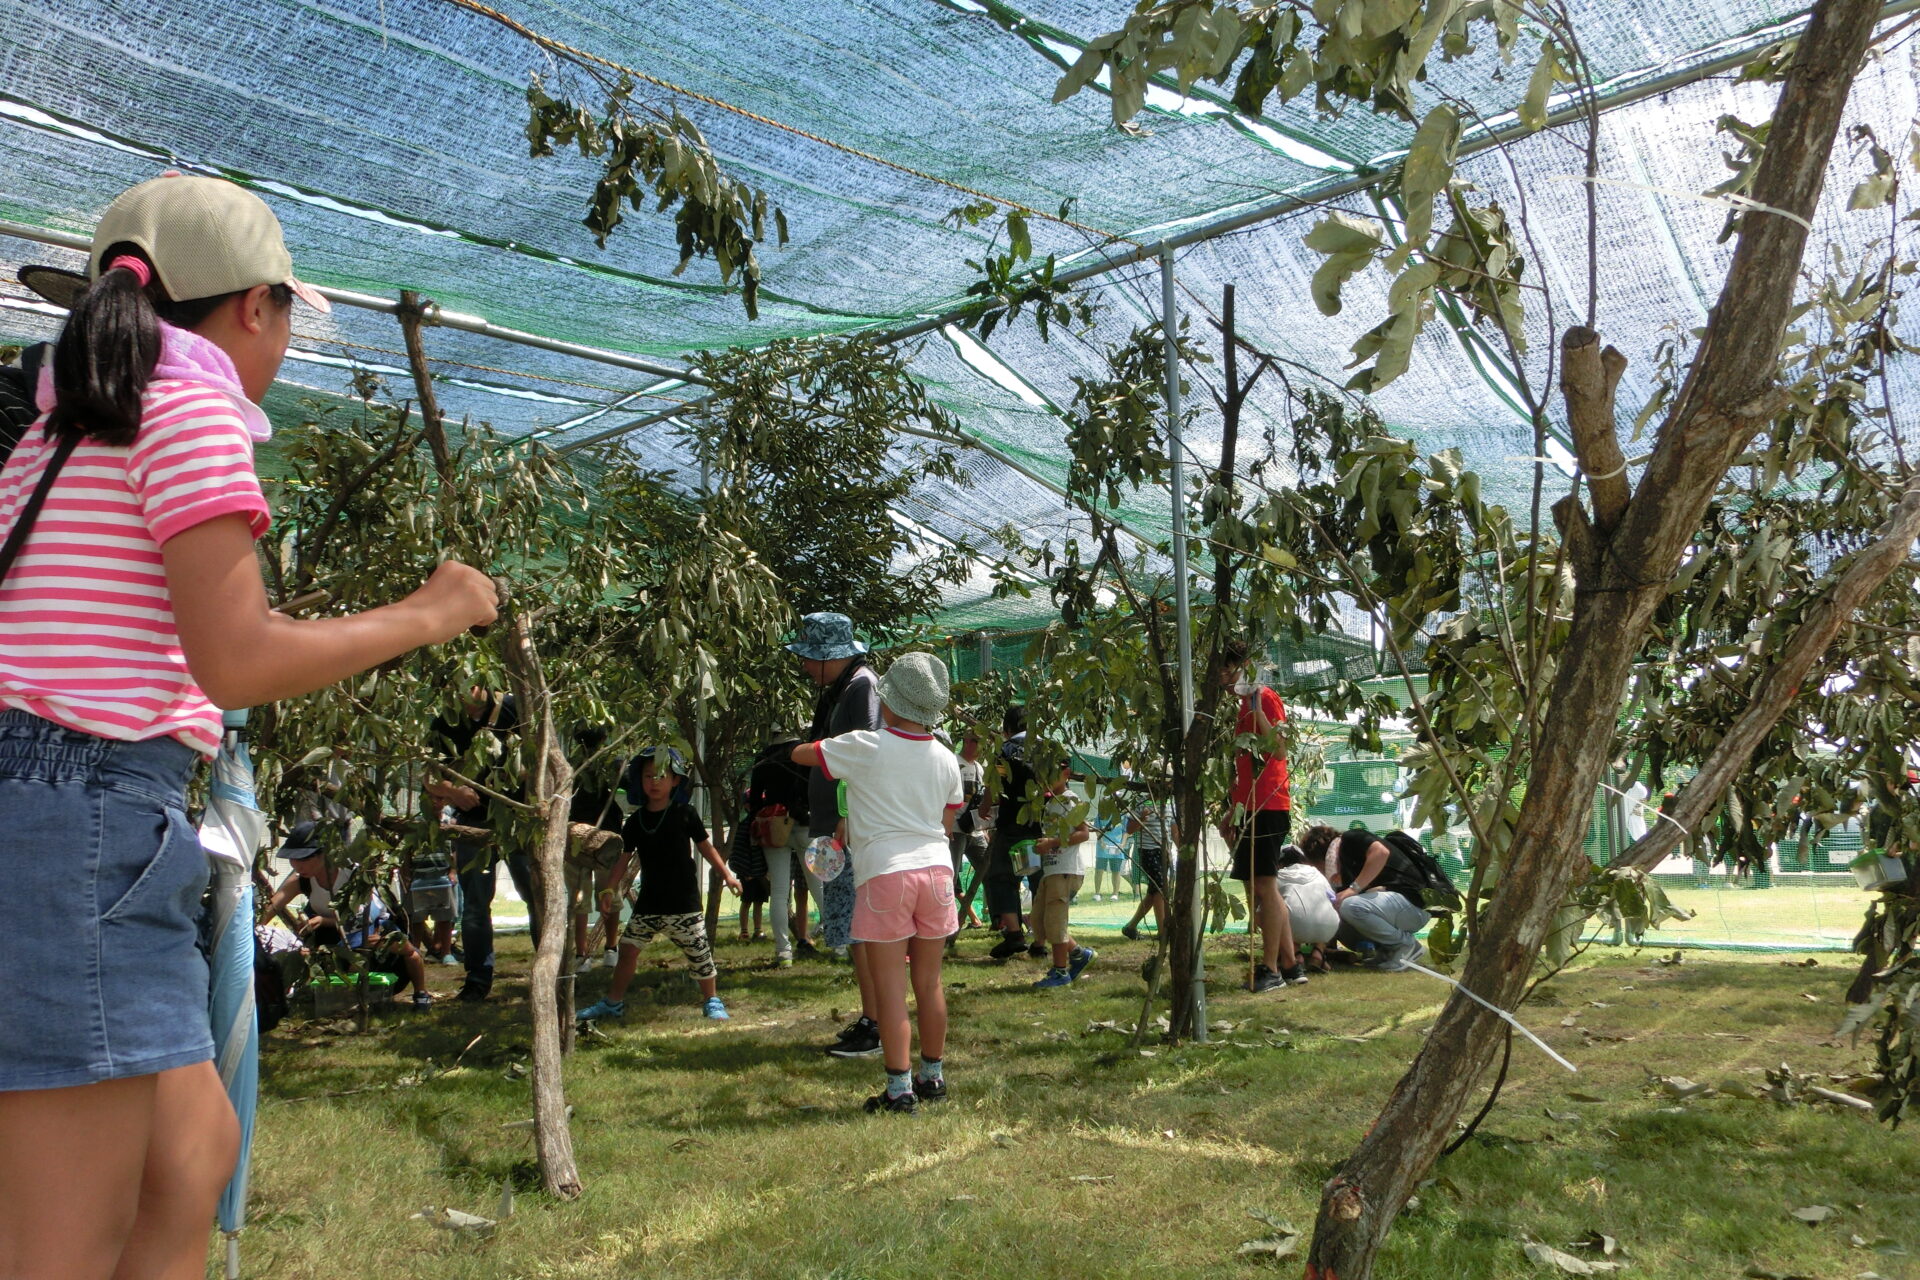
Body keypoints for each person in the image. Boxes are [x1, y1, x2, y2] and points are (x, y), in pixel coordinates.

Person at [0, 173, 496, 1280]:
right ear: (255, 307)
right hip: (79, 808)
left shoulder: (72, 428)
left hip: (67, 807)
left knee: (191, 1152)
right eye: (285, 318)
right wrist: (430, 610)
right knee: (58, 1243)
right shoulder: (192, 401)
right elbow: (239, 656)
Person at [792, 652, 962, 1113]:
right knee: (929, 983)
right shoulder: (946, 758)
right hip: (938, 873)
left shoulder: (866, 745)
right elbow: (949, 818)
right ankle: (933, 1077)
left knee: (890, 987)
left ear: (887, 702)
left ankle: (898, 1090)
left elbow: (802, 754)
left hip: (887, 874)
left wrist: (833, 738)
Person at [580, 747, 740, 1021]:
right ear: (639, 781)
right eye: (648, 776)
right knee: (628, 950)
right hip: (649, 903)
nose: (654, 781)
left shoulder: (686, 814)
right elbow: (623, 859)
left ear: (675, 780)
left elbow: (705, 847)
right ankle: (613, 1002)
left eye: (661, 776)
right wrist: (610, 889)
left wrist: (726, 874)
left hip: (683, 903)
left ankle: (712, 1000)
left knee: (699, 952)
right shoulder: (636, 822)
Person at [789, 612, 885, 1056]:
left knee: (859, 930)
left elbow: (868, 752)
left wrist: (847, 813)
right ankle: (870, 1016)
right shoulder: (842, 687)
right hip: (835, 827)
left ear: (835, 656)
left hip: (851, 829)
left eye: (811, 657)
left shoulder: (861, 685)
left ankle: (877, 1026)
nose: (806, 665)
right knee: (849, 930)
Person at [428, 687, 532, 1002]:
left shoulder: (515, 708)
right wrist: (454, 792)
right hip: (474, 823)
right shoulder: (445, 721)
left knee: (537, 897)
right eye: (458, 684)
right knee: (474, 905)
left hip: (521, 824)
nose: (466, 692)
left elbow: (544, 758)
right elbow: (429, 774)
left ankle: (552, 973)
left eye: (472, 682)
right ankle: (477, 980)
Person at [260, 819, 433, 1006]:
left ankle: (421, 994)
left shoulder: (351, 873)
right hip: (332, 937)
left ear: (324, 854)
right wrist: (253, 928)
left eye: (304, 859)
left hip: (373, 929)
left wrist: (325, 920)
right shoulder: (300, 880)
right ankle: (342, 999)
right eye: (293, 859)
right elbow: (274, 905)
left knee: (409, 953)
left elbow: (364, 914)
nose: (297, 865)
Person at [1218, 638, 1300, 991]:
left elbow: (1279, 751)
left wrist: (1259, 711)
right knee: (1261, 885)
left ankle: (1270, 970)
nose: (1221, 676)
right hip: (1249, 805)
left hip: (1268, 805)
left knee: (1264, 885)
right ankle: (1291, 964)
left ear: (1241, 666)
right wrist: (1232, 808)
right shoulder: (1241, 705)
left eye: (1225, 668)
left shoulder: (1263, 698)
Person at [1298, 824, 1429, 971]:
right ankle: (1388, 951)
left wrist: (1353, 889)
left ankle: (1406, 945)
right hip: (1400, 909)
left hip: (1414, 906)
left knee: (1349, 905)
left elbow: (1381, 852)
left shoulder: (1351, 838)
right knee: (1337, 908)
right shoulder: (1343, 869)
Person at [745, 726, 813, 965]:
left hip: (774, 826)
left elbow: (754, 798)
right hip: (805, 823)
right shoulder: (804, 752)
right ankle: (840, 948)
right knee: (820, 887)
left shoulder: (763, 758)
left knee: (779, 893)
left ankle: (783, 952)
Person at [981, 704, 1044, 960]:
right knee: (1041, 882)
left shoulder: (1005, 751)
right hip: (1041, 825)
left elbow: (994, 784)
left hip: (1012, 824)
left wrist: (986, 805)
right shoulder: (1048, 748)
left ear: (1007, 729)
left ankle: (1015, 934)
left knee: (1001, 876)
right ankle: (1041, 941)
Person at [1031, 761, 1096, 988]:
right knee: (1039, 922)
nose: (1045, 778)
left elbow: (1084, 833)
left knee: (1056, 922)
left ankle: (1060, 972)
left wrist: (1053, 843)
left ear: (1066, 773)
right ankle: (1078, 954)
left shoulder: (1069, 800)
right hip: (1051, 870)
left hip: (1065, 870)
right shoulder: (1051, 803)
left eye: (1051, 773)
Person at [1272, 842, 1340, 977]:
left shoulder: (1278, 876)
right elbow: (1333, 900)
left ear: (1279, 863)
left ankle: (1296, 955)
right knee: (1321, 909)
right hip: (1329, 928)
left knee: (1281, 912)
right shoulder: (1318, 874)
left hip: (1296, 927)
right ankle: (1318, 953)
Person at [948, 729, 990, 942]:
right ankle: (947, 925)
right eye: (976, 741)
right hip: (953, 829)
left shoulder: (980, 768)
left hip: (975, 829)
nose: (979, 746)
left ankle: (997, 919)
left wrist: (983, 828)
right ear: (965, 740)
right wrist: (945, 827)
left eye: (982, 742)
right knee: (950, 878)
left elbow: (980, 800)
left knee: (988, 868)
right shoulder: (952, 762)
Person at [1121, 792, 1172, 941]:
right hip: (1148, 851)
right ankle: (1163, 933)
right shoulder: (1140, 800)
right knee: (1160, 889)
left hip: (1165, 851)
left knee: (1153, 892)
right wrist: (1142, 818)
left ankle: (1130, 927)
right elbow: (1130, 829)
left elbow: (1173, 828)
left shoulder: (1169, 801)